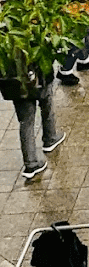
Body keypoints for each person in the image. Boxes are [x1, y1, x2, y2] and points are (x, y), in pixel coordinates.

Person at [0, 51, 65, 181]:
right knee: (46, 101)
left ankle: (31, 163)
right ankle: (50, 137)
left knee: (26, 121)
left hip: (15, 82)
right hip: (37, 74)